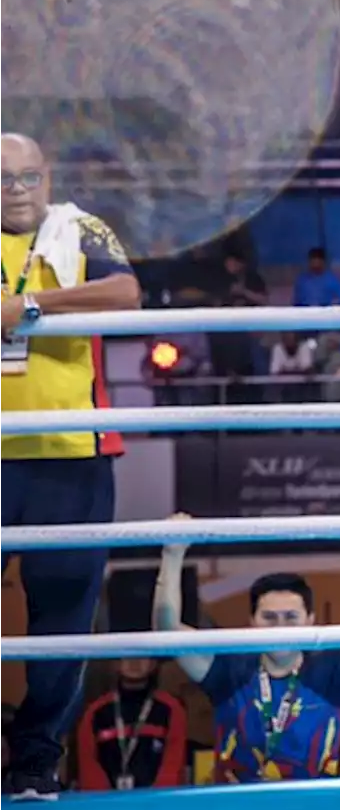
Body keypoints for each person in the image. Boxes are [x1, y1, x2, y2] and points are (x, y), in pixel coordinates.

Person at [0, 132, 142, 801]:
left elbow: (125, 293)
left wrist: (29, 307)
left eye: (29, 175)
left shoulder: (80, 226)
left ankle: (34, 761)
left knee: (61, 620)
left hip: (71, 456)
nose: (19, 189)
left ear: (47, 175)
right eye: (4, 178)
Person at [152, 538, 340, 782]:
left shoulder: (331, 672)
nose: (280, 628)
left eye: (291, 617)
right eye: (269, 617)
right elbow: (167, 630)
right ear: (252, 621)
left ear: (310, 620)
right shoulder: (229, 671)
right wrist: (173, 553)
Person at [75, 658, 188, 791]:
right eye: (127, 656)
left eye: (142, 656)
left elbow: (173, 764)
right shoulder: (95, 711)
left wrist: (156, 802)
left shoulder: (171, 709)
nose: (134, 662)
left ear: (153, 663)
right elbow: (88, 765)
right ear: (115, 663)